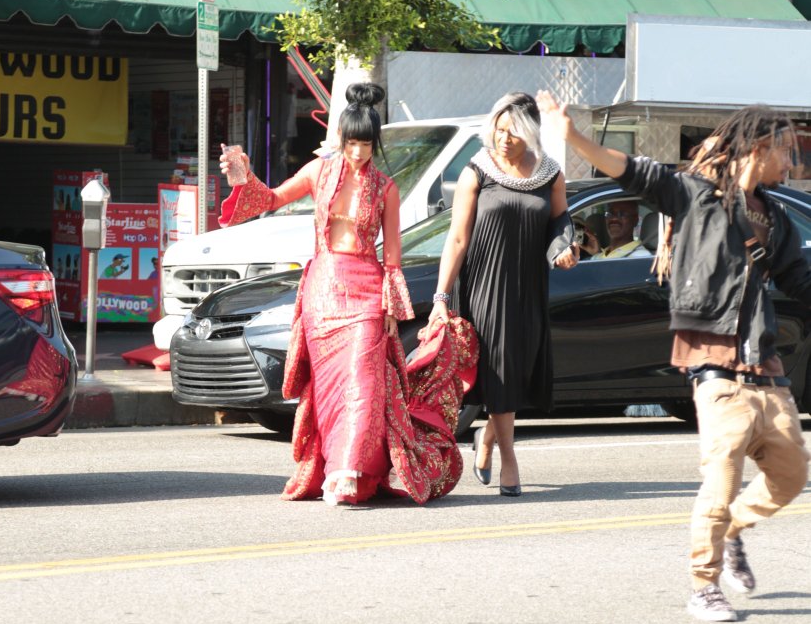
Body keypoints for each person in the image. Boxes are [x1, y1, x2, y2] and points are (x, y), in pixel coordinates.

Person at [536, 90, 811, 622]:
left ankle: (733, 530)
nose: (792, 161)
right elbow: (629, 170)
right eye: (785, 149)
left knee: (792, 475)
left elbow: (800, 281)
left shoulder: (775, 217)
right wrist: (573, 137)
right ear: (756, 149)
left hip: (766, 367)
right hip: (716, 368)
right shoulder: (693, 196)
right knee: (721, 480)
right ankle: (703, 586)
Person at [218, 83, 478, 506]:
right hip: (323, 293)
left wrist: (391, 307)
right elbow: (272, 199)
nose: (358, 152)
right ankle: (336, 469)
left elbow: (392, 257)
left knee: (364, 385)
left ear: (375, 143)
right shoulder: (318, 172)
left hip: (366, 294)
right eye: (352, 143)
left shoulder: (386, 187)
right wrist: (243, 178)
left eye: (366, 144)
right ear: (340, 138)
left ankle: (350, 473)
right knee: (330, 390)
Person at [421, 91, 579, 496]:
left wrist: (565, 246)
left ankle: (488, 437)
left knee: (519, 373)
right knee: (501, 369)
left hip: (529, 285)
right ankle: (510, 461)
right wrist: (440, 299)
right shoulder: (478, 170)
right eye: (499, 129)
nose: (504, 138)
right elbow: (457, 238)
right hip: (485, 285)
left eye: (513, 132)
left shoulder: (550, 173)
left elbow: (559, 220)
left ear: (531, 133)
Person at [583, 200, 649, 260]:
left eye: (622, 214)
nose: (613, 219)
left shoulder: (639, 256)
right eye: (610, 214)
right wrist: (597, 254)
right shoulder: (605, 252)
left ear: (635, 220)